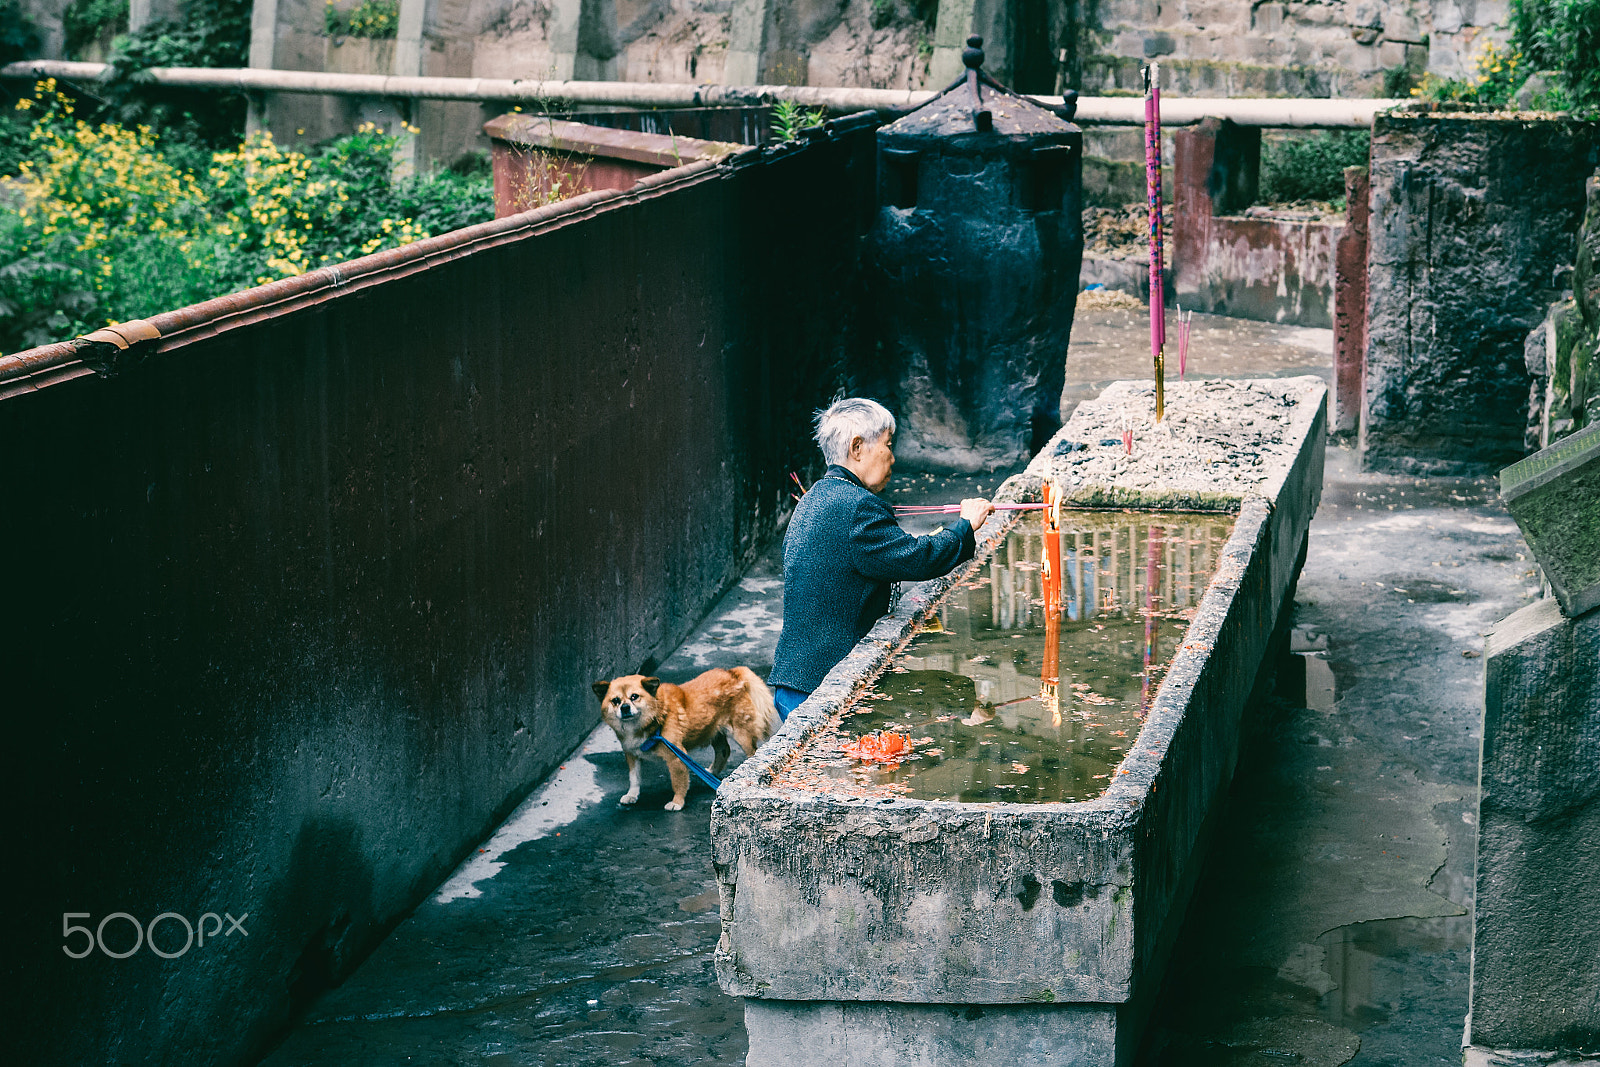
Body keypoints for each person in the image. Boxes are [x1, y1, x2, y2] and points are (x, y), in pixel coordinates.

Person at [769, 398, 993, 720]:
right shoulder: (858, 506)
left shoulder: (813, 499)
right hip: (824, 684)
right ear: (857, 448)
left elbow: (878, 560)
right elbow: (917, 559)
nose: (892, 457)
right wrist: (965, 526)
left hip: (795, 677)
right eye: (888, 445)